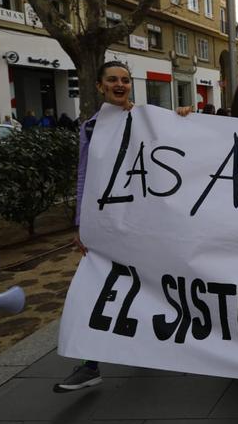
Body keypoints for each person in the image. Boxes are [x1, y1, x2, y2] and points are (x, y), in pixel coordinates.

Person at [58, 62, 197, 393]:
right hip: (110, 220)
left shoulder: (148, 121)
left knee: (149, 282)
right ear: (100, 86)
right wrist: (81, 222)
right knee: (99, 284)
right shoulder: (92, 128)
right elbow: (84, 174)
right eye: (112, 80)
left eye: (124, 80)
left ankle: (146, 345)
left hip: (147, 220)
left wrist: (183, 117)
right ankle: (90, 364)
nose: (119, 85)